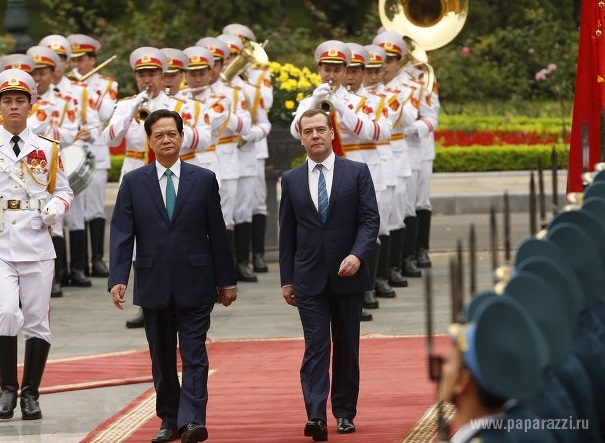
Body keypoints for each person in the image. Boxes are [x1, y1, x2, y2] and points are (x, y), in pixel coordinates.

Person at [108, 109, 237, 443]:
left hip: (196, 281)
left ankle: (192, 420)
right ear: (149, 142)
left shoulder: (203, 179)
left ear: (182, 137)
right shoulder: (134, 182)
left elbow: (217, 233)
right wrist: (118, 277)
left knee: (194, 353)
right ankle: (169, 418)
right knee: (162, 357)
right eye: (158, 135)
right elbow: (123, 232)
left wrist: (226, 280)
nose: (166, 140)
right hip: (153, 282)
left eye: (172, 134)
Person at [279, 108, 379, 441]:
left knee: (347, 346)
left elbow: (369, 221)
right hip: (308, 277)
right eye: (308, 132)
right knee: (316, 345)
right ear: (302, 138)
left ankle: (345, 412)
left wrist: (357, 255)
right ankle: (316, 415)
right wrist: (286, 279)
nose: (315, 136)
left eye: (321, 130)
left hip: (348, 274)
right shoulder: (291, 179)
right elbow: (287, 235)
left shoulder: (357, 172)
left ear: (332, 133)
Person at [103, 46, 203, 329]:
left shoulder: (180, 105)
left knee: (167, 232)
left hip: (168, 171)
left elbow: (199, 140)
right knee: (135, 236)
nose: (147, 80)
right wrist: (133, 109)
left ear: (162, 76)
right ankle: (145, 302)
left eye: (152, 74)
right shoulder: (126, 104)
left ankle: (177, 294)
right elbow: (110, 139)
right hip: (136, 171)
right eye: (142, 75)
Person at [0, 68, 74, 420]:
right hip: (0, 244)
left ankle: (31, 392)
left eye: (20, 100)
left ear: (31, 104)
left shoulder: (47, 148)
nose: (13, 106)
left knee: (36, 320)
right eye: (7, 100)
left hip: (36, 242)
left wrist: (52, 210)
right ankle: (6, 389)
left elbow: (64, 192)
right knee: (3, 313)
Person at [67, 34, 118, 278]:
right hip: (72, 149)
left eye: (80, 59)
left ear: (92, 59)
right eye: (73, 60)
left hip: (96, 150)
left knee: (96, 206)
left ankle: (97, 258)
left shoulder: (107, 84)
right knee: (76, 207)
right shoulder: (67, 84)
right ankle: (78, 262)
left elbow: (107, 113)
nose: (76, 65)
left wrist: (87, 90)